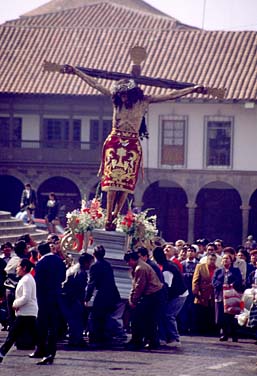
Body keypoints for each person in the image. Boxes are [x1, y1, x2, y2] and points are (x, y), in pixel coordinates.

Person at [58, 63, 208, 231]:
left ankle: (115, 214)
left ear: (131, 93)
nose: (122, 98)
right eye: (120, 95)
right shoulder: (116, 101)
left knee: (126, 184)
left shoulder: (144, 101)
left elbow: (172, 95)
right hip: (115, 142)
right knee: (111, 181)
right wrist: (77, 72)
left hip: (132, 144)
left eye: (125, 95)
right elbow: (95, 84)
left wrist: (191, 89)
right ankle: (108, 217)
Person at [30, 241, 66, 365]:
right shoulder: (58, 260)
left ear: (40, 252)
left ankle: (44, 351)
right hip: (56, 297)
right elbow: (62, 278)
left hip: (44, 299)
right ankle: (48, 351)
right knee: (52, 327)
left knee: (43, 326)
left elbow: (37, 283)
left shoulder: (41, 264)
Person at [0, 259, 38, 363]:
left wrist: (15, 304)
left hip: (26, 312)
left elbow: (26, 297)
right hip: (28, 312)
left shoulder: (26, 280)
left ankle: (1, 353)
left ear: (24, 268)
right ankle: (47, 352)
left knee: (13, 334)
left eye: (18, 266)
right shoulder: (27, 278)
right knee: (35, 335)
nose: (16, 269)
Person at [124, 250, 163, 350]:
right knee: (148, 320)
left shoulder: (140, 268)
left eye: (129, 261)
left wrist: (134, 301)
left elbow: (139, 286)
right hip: (151, 295)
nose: (128, 264)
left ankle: (138, 341)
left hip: (152, 295)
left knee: (141, 319)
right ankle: (147, 341)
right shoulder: (139, 266)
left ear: (132, 259)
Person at [85, 245, 121, 347]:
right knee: (105, 317)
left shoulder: (95, 266)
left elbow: (91, 283)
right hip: (111, 294)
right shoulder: (107, 265)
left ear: (94, 255)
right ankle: (105, 338)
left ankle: (95, 340)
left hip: (101, 294)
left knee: (95, 318)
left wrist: (87, 297)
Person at [153, 246, 188, 347]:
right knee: (164, 314)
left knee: (169, 315)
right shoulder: (167, 264)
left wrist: (163, 300)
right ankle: (164, 338)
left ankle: (175, 338)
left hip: (179, 294)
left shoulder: (167, 269)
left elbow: (167, 287)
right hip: (177, 293)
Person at [62, 253, 94, 347]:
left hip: (68, 297)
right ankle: (76, 339)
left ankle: (74, 338)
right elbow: (79, 289)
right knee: (77, 319)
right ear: (86, 263)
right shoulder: (81, 273)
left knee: (73, 319)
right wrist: (83, 300)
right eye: (90, 262)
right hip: (73, 298)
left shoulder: (74, 268)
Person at [212, 253, 243, 342]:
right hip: (220, 296)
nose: (225, 260)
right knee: (221, 316)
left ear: (231, 260)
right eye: (224, 258)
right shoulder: (218, 271)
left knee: (232, 316)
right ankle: (223, 334)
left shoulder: (236, 270)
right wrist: (223, 285)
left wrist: (231, 285)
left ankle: (234, 334)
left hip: (232, 296)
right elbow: (214, 282)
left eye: (227, 258)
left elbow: (239, 280)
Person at [192, 253, 217, 335]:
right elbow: (195, 280)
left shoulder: (218, 269)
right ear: (207, 259)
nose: (212, 261)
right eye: (210, 259)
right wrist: (196, 292)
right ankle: (199, 330)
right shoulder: (200, 267)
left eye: (214, 260)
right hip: (201, 292)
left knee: (210, 312)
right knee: (201, 311)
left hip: (212, 293)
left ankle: (210, 330)